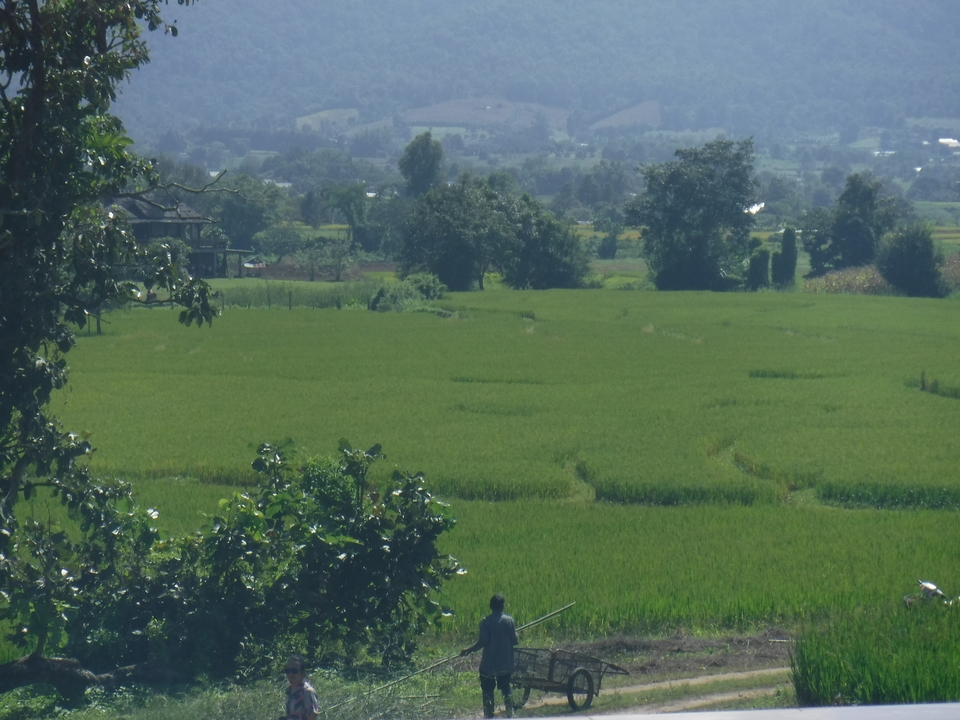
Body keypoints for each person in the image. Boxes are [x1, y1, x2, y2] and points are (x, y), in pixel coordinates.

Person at [460, 594, 519, 718]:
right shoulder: (509, 621)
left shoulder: (486, 622)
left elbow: (483, 642)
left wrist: (468, 650)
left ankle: (489, 716)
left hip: (489, 665)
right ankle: (510, 714)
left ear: (491, 606)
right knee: (506, 690)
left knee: (487, 692)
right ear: (503, 606)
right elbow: (515, 641)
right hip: (505, 664)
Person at [282, 655, 319, 720]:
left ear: (303, 673)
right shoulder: (289, 692)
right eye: (288, 670)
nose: (290, 674)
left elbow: (312, 717)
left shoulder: (307, 692)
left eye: (295, 671)